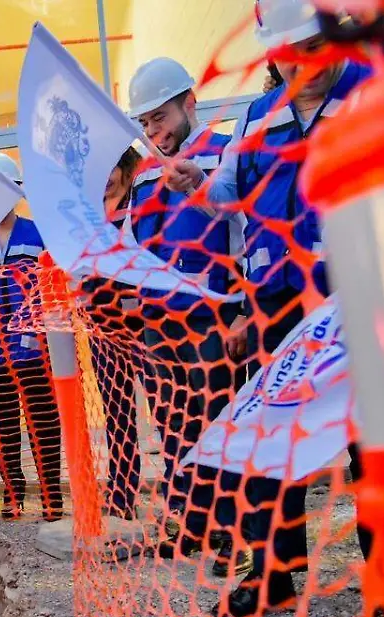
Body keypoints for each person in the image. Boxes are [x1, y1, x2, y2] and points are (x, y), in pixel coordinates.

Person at [164, 0, 374, 617]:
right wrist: (192, 185)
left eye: (309, 52)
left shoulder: (373, 93)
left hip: (355, 295)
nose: (299, 69)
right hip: (276, 304)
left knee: (373, 444)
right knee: (269, 441)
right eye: (283, 59)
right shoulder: (258, 117)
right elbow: (228, 195)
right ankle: (277, 577)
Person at [126, 56, 248, 575]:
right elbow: (139, 246)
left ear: (189, 104)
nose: (155, 130)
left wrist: (243, 306)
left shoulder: (225, 155)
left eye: (161, 117)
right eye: (146, 122)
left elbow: (246, 235)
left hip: (212, 317)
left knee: (216, 424)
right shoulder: (146, 173)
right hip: (159, 321)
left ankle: (231, 533)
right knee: (173, 425)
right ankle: (190, 524)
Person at [0, 152, 63, 521]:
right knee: (3, 424)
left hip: (34, 348)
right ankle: (13, 492)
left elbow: (56, 286)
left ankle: (52, 495)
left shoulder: (38, 234)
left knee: (43, 421)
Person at [84, 147, 146, 520]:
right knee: (117, 414)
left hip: (143, 323)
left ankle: (180, 496)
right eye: (100, 169)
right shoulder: (90, 215)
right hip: (102, 325)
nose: (107, 177)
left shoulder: (140, 205)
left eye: (113, 167)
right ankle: (123, 493)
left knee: (164, 409)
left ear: (126, 168)